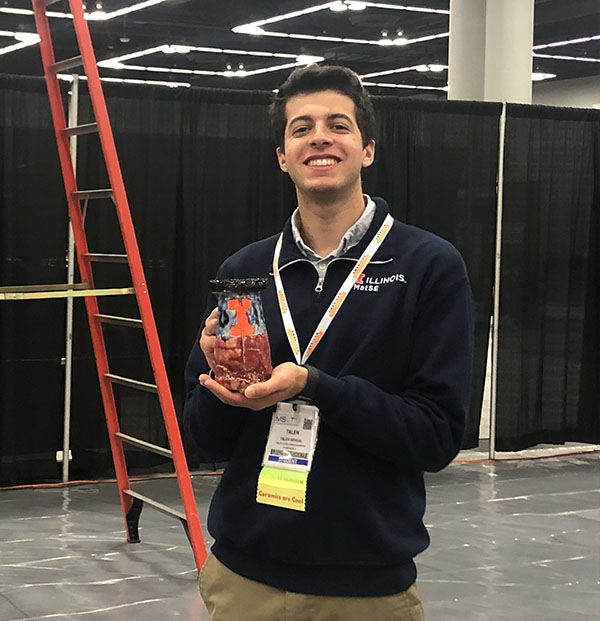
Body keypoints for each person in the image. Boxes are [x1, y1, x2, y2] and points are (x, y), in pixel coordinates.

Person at [184, 64, 474, 620]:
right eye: (301, 127)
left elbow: (436, 437)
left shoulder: (426, 265)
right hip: (246, 577)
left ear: (367, 149)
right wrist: (222, 386)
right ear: (282, 156)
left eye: (337, 125)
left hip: (367, 587)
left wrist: (315, 387)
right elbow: (209, 439)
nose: (319, 136)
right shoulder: (244, 271)